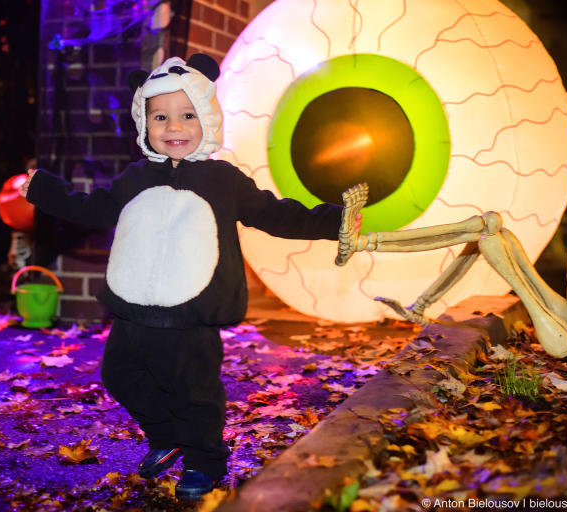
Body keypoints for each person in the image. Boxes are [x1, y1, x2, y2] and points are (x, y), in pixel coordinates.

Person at [20, 54, 348, 500]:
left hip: (192, 319)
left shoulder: (223, 181)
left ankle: (204, 462)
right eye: (160, 117)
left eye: (187, 115)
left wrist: (335, 221)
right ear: (145, 123)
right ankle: (167, 434)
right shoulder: (134, 178)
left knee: (196, 394)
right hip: (132, 316)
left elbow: (274, 215)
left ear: (207, 119)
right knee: (119, 376)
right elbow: (91, 208)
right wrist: (46, 190)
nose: (174, 127)